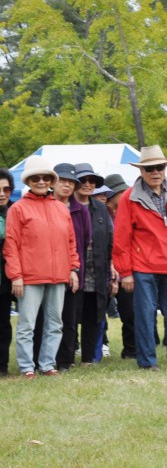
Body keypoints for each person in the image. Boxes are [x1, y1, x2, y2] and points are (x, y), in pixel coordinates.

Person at [112, 145, 167, 370]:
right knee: (145, 316)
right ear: (141, 171)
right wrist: (126, 272)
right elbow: (121, 238)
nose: (155, 172)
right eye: (150, 169)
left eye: (159, 167)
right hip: (143, 267)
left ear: (165, 168)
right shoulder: (129, 198)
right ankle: (148, 361)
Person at [4, 157, 79, 378]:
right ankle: (27, 367)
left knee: (55, 323)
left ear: (50, 181)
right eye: (35, 178)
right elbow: (11, 244)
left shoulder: (61, 209)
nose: (40, 181)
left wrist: (73, 268)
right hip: (29, 277)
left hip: (58, 276)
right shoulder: (18, 209)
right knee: (27, 325)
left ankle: (47, 364)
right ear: (28, 181)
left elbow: (71, 242)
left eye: (45, 177)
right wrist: (16, 275)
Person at [44, 164, 91, 372]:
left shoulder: (81, 210)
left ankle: (66, 360)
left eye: (71, 182)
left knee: (69, 319)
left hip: (72, 270)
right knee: (44, 318)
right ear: (53, 182)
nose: (67, 185)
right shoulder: (42, 205)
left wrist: (75, 269)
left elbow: (85, 240)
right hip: (44, 271)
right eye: (63, 180)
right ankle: (44, 359)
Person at [74, 163, 116, 363]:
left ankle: (91, 358)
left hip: (97, 270)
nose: (87, 184)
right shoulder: (65, 206)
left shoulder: (101, 209)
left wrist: (112, 267)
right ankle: (67, 356)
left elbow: (111, 241)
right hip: (74, 271)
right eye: (83, 180)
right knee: (70, 316)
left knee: (94, 314)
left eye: (92, 181)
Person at [104, 173, 135, 359]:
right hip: (103, 268)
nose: (126, 194)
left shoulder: (129, 212)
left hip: (125, 269)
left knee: (129, 311)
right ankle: (99, 346)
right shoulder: (100, 213)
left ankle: (131, 349)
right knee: (97, 313)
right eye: (122, 191)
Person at [0, 169, 15, 376]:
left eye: (6, 189)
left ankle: (2, 366)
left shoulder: (16, 211)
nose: (2, 193)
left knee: (3, 324)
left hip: (8, 279)